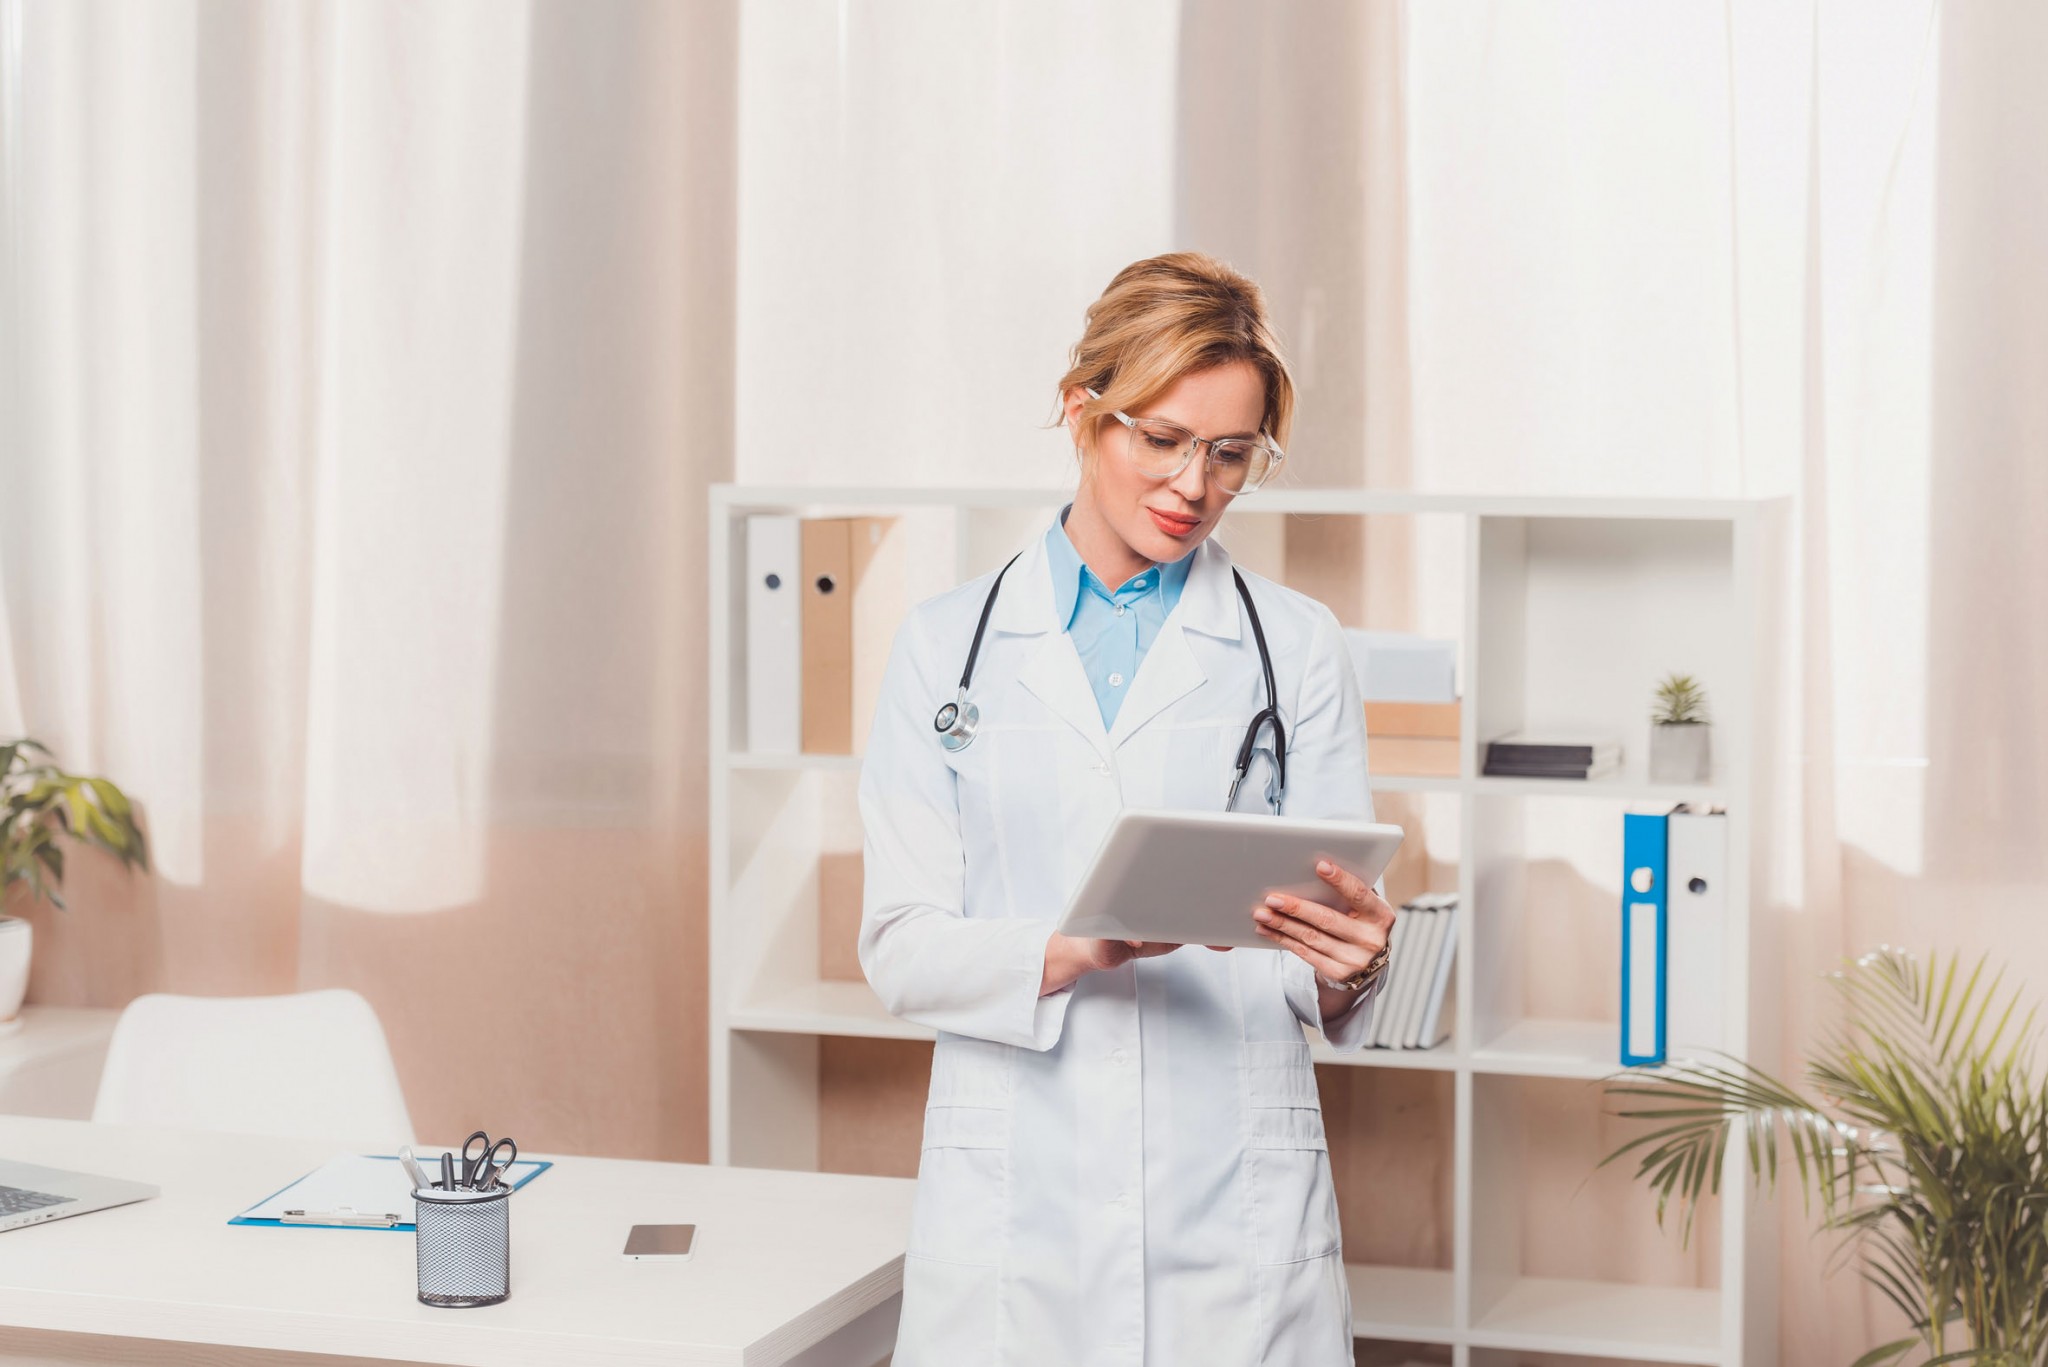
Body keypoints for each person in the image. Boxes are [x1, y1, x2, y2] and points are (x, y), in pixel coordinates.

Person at [857, 251, 1396, 1367]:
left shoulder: (1295, 646)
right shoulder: (944, 646)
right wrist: (1073, 945)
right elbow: (900, 947)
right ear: (1080, 411)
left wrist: (1350, 965)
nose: (1194, 484)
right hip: (1018, 1188)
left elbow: (1316, 952)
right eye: (1161, 438)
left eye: (1230, 453)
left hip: (1229, 1193)